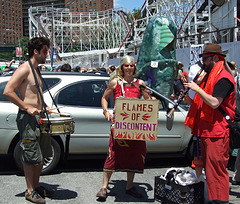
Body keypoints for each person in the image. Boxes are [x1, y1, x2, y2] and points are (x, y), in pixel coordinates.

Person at [3, 37, 54, 204]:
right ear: (36, 52)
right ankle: (30, 190)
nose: (47, 54)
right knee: (31, 154)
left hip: (39, 116)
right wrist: (26, 107)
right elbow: (8, 91)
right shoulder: (24, 69)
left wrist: (44, 105)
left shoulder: (36, 70)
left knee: (41, 155)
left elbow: (35, 93)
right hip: (28, 118)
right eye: (45, 51)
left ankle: (37, 186)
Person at [184, 43, 235, 203]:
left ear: (215, 58)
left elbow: (214, 103)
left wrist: (197, 89)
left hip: (217, 132)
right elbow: (204, 104)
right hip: (207, 131)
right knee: (210, 171)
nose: (203, 63)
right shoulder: (209, 77)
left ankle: (220, 201)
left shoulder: (223, 78)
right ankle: (213, 199)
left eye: (205, 59)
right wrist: (190, 100)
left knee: (217, 172)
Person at [96, 55, 152, 200]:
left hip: (136, 126)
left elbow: (149, 102)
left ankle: (129, 186)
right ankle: (104, 187)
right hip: (119, 125)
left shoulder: (140, 83)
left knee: (134, 155)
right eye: (126, 66)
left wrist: (149, 96)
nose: (129, 68)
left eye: (131, 65)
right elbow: (104, 98)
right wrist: (105, 111)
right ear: (122, 67)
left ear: (134, 67)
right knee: (113, 154)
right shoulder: (115, 82)